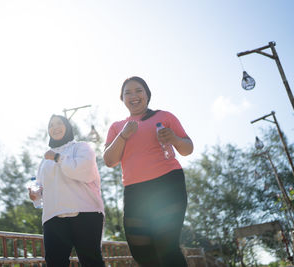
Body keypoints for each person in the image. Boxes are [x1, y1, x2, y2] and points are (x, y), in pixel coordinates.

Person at [103, 76, 193, 267]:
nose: (133, 96)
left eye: (138, 90)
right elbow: (109, 160)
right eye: (128, 92)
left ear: (147, 95)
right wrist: (123, 136)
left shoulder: (164, 117)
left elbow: (187, 148)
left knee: (166, 245)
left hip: (167, 184)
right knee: (141, 252)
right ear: (122, 98)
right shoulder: (117, 127)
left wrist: (174, 139)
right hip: (135, 191)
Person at [29, 115, 105, 267]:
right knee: (55, 263)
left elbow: (85, 172)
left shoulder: (81, 147)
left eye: (59, 123)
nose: (55, 127)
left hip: (85, 212)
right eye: (51, 125)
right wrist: (35, 195)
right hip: (53, 216)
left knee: (91, 261)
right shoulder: (44, 160)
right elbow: (40, 187)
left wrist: (58, 157)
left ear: (68, 127)